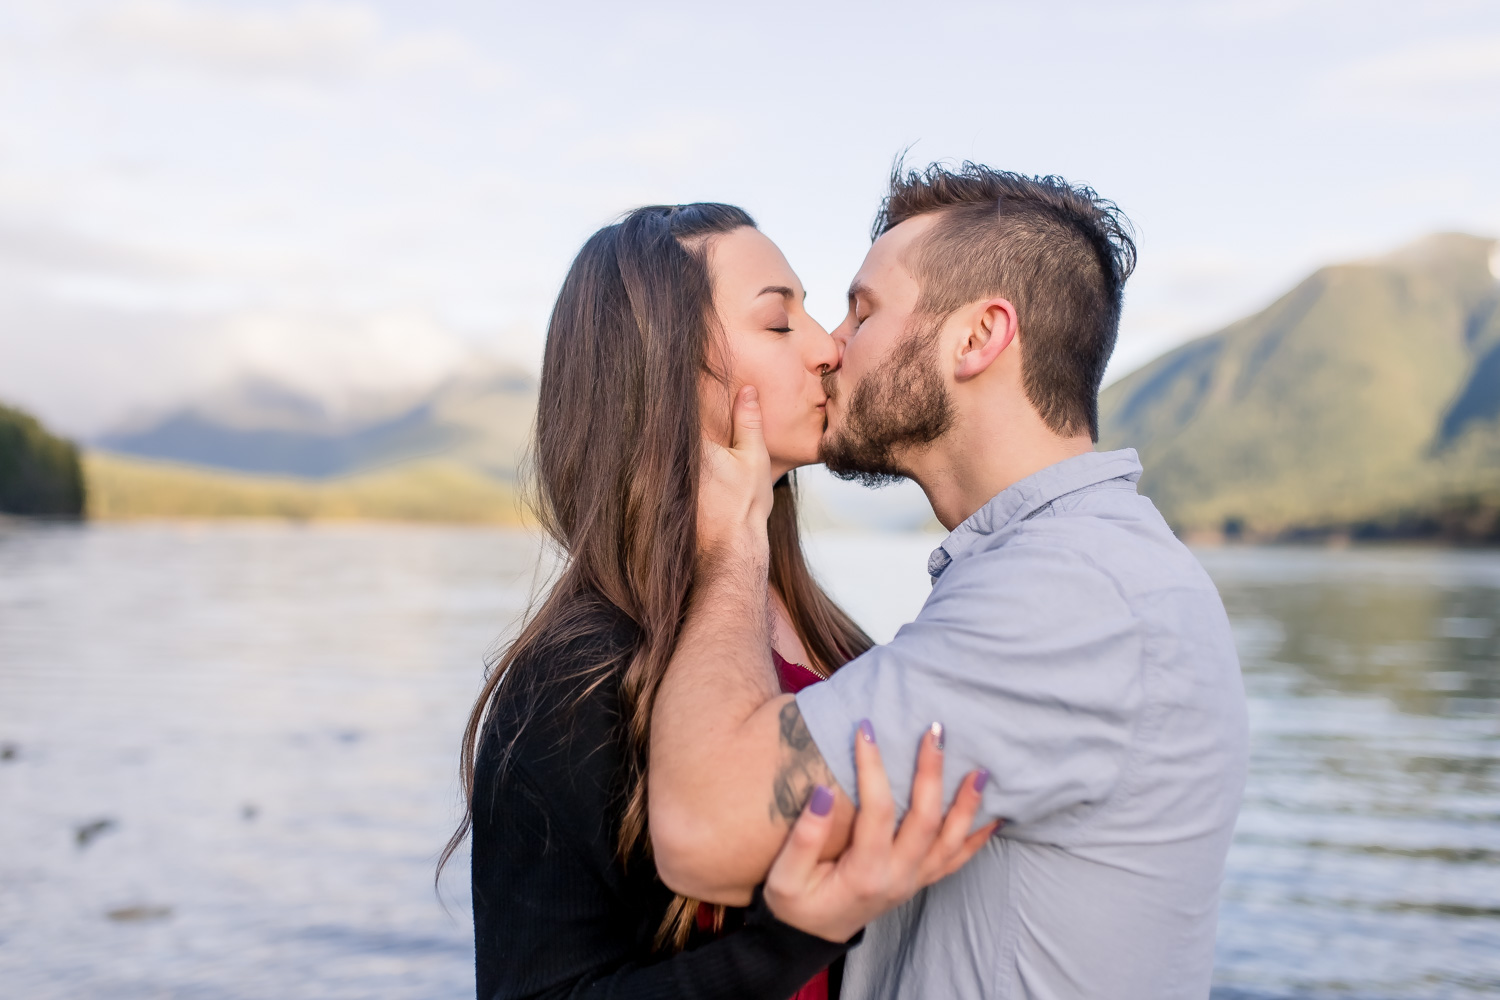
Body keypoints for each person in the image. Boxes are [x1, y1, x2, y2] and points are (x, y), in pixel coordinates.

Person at [649, 164, 1251, 999]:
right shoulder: (1059, 570)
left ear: (977, 338)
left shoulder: (1072, 594)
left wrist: (736, 539)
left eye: (863, 311)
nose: (831, 347)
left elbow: (703, 829)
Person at [440, 202, 998, 1000]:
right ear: (663, 370)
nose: (827, 348)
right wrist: (793, 940)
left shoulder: (845, 646)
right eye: (780, 325)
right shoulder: (578, 680)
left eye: (815, 312)